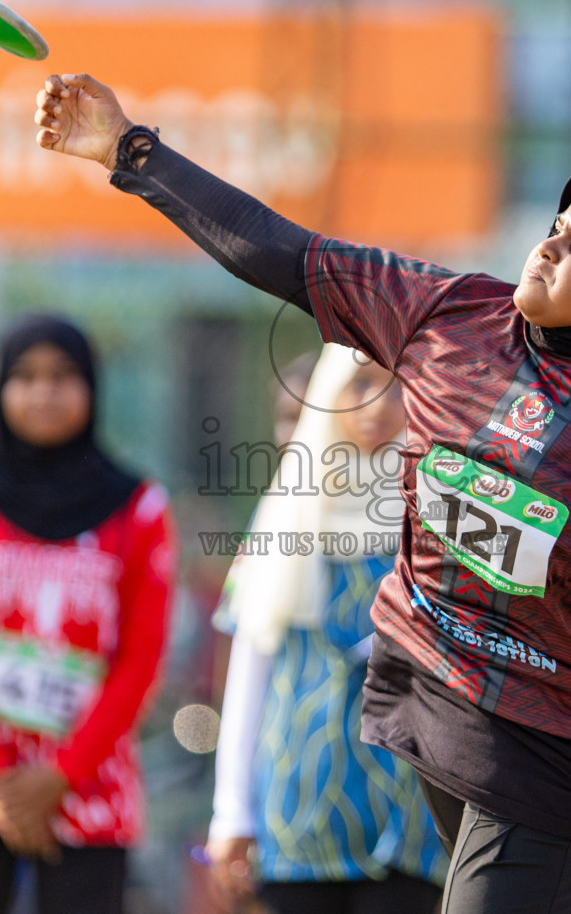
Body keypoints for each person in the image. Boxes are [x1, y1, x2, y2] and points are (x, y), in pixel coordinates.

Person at [32, 73, 571, 914]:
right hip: (437, 699)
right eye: (555, 229)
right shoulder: (448, 317)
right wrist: (133, 153)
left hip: (561, 744)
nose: (549, 247)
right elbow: (283, 251)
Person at [0, 315, 175, 914]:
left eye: (63, 376)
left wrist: (59, 777)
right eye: (25, 376)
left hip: (89, 785)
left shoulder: (138, 509)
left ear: (93, 389)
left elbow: (140, 659)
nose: (44, 392)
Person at [207, 344, 448, 914]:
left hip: (411, 820)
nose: (378, 405)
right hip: (298, 810)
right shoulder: (283, 516)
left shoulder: (444, 521)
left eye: (398, 387)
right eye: (358, 384)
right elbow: (251, 670)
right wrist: (232, 812)